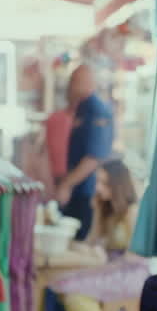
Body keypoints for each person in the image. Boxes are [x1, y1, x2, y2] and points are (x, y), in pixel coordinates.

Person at [39, 160, 146, 311]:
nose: (98, 187)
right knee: (57, 285)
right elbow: (92, 241)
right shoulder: (102, 206)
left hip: (130, 272)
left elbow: (135, 256)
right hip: (107, 267)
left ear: (117, 185)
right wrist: (81, 249)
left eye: (103, 182)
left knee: (70, 290)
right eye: (98, 181)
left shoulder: (132, 212)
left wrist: (98, 262)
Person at [55, 64, 115, 239]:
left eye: (74, 81)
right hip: (73, 189)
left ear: (87, 82)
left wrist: (66, 185)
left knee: (76, 241)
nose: (70, 86)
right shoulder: (81, 108)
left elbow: (93, 158)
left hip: (82, 192)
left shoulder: (97, 110)